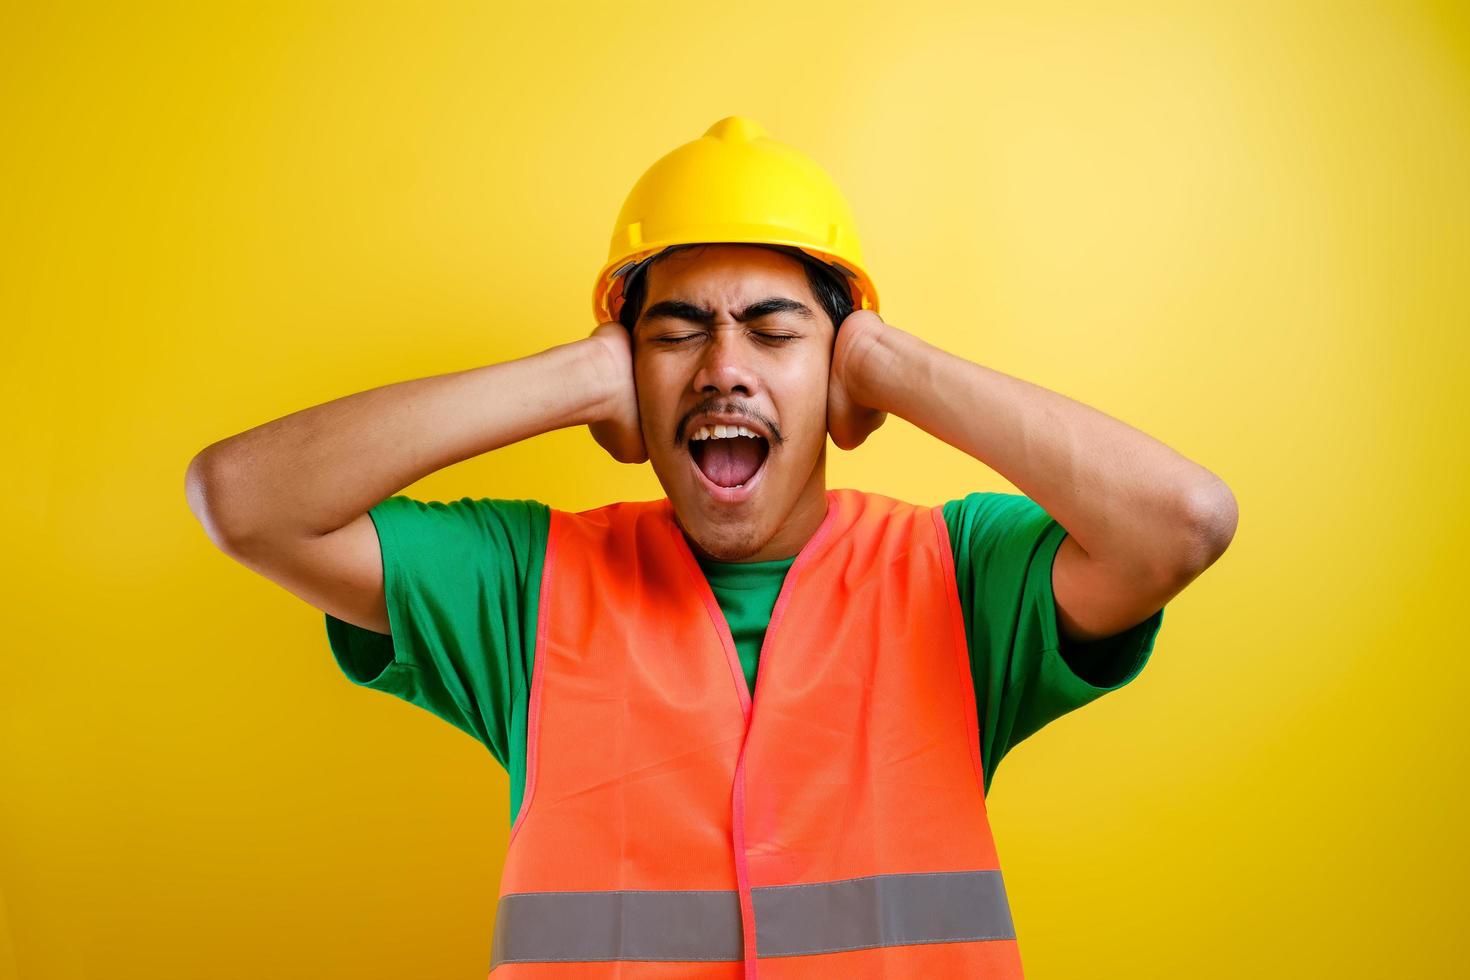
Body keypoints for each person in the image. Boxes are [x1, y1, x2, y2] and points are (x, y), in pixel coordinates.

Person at [186, 117, 1236, 978]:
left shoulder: (956, 579)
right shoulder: (524, 585)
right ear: (625, 372)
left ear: (840, 374)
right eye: (677, 330)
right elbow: (244, 500)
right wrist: (573, 379)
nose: (724, 368)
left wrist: (886, 361)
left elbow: (1182, 522)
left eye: (776, 331)